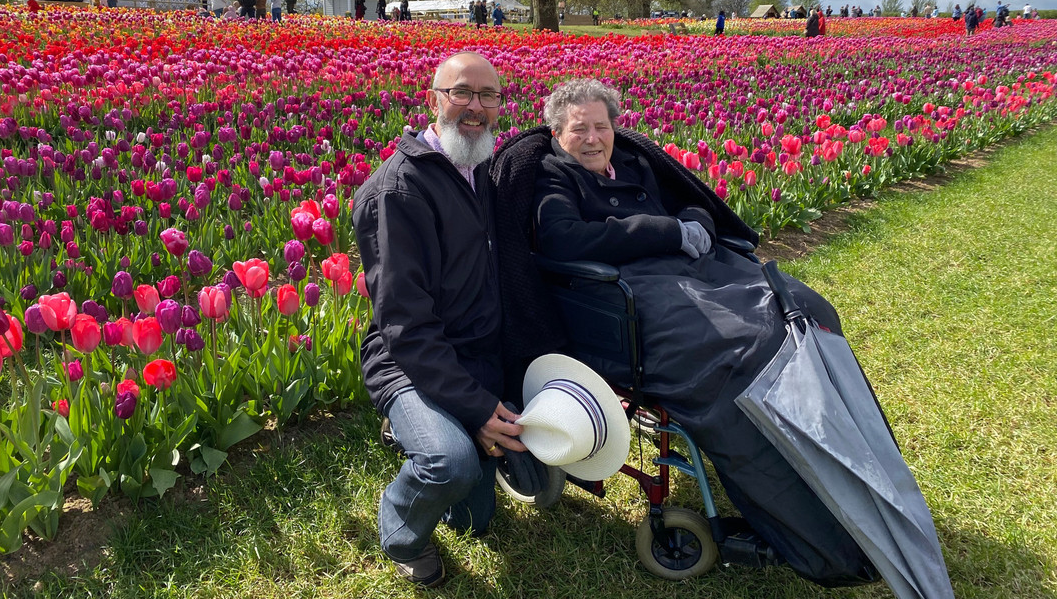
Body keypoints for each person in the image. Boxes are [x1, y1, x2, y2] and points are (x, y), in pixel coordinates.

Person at [490, 79, 877, 588]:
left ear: (614, 128)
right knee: (745, 350)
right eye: (578, 129)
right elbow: (563, 238)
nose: (592, 138)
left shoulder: (632, 162)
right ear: (556, 134)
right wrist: (670, 232)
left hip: (692, 274)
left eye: (600, 126)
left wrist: (695, 220)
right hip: (630, 293)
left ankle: (862, 483)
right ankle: (824, 537)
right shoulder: (552, 178)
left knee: (805, 310)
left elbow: (685, 200)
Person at [353, 52, 528, 588]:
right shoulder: (399, 191)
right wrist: (475, 407)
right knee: (452, 464)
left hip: (478, 353)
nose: (475, 108)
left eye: (488, 96)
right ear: (434, 99)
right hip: (409, 359)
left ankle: (429, 435)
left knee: (476, 521)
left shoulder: (482, 171)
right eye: (461, 93)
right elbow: (406, 327)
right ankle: (400, 532)